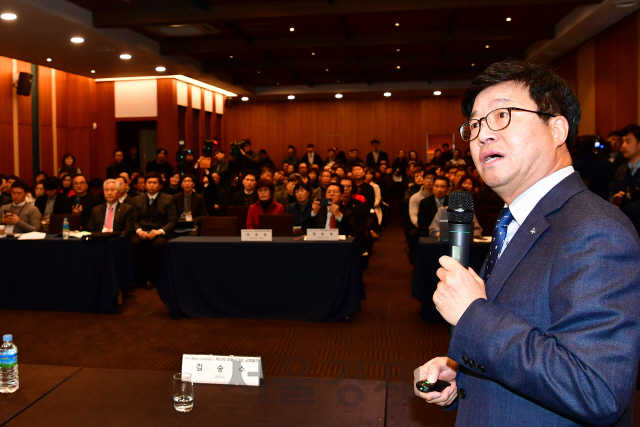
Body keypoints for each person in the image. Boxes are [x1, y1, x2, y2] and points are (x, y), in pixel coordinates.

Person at [414, 60, 640, 426]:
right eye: (474, 124)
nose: (483, 135)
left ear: (556, 128)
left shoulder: (595, 229)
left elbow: (597, 389)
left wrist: (473, 316)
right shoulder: (517, 223)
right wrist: (462, 376)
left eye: (501, 114)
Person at [131, 172, 177, 289]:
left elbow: (172, 221)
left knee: (158, 245)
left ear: (160, 185)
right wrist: (139, 231)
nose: (151, 185)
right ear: (145, 185)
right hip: (142, 230)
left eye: (154, 183)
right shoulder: (137, 199)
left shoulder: (168, 198)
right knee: (134, 243)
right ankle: (138, 278)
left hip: (159, 231)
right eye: (149, 183)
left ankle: (152, 278)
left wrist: (160, 231)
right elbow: (134, 220)